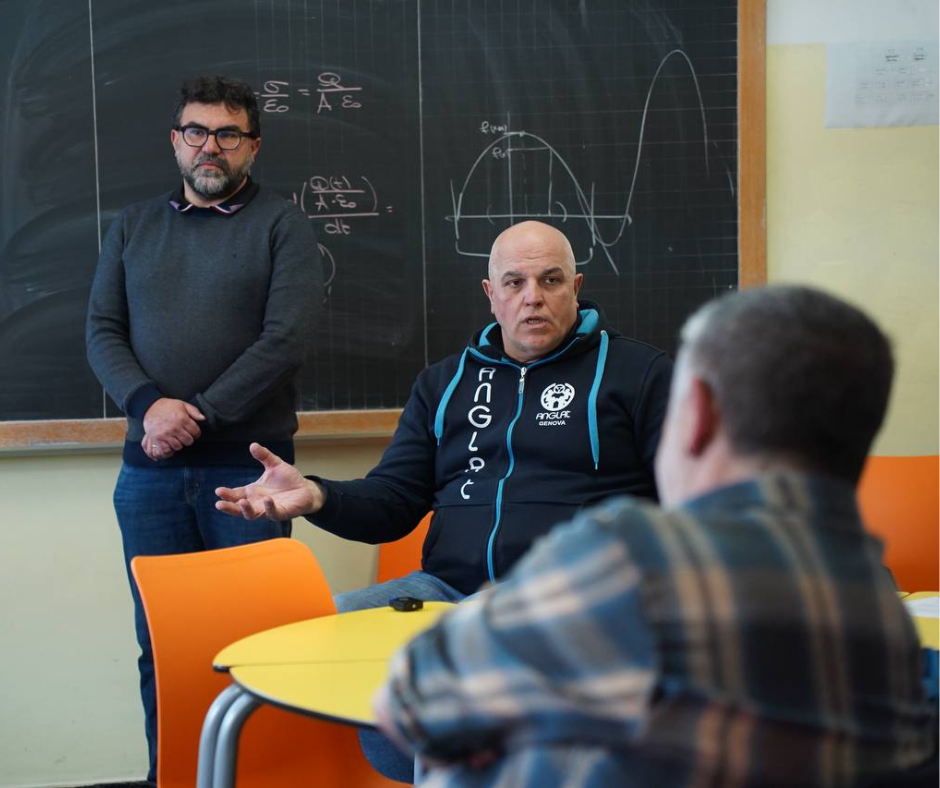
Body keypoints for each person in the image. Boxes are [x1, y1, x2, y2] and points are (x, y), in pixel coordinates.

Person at [373, 284, 938, 787]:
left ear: (699, 415)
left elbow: (410, 707)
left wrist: (499, 606)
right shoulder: (883, 611)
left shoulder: (631, 556)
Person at [217, 219, 672, 780]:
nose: (532, 297)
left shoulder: (639, 374)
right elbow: (394, 499)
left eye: (551, 280)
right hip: (445, 592)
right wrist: (316, 495)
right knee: (333, 624)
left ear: (575, 288)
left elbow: (688, 502)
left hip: (572, 600)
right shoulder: (443, 383)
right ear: (490, 293)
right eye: (514, 282)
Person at [86, 74, 322, 783]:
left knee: (257, 646)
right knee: (161, 646)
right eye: (196, 132)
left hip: (252, 474)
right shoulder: (131, 226)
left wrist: (195, 416)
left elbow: (285, 339)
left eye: (227, 134)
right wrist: (149, 406)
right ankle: (172, 777)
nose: (209, 147)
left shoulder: (282, 225)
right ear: (176, 141)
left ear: (253, 146)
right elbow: (102, 331)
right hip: (149, 476)